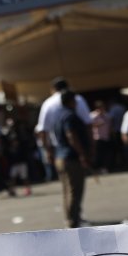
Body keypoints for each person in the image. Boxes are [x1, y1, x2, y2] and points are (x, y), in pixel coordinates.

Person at [45, 91, 91, 228]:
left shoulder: (58, 117)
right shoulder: (70, 116)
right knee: (75, 192)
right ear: (71, 101)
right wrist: (82, 154)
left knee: (67, 191)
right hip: (71, 158)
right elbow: (71, 135)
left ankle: (70, 220)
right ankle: (73, 222)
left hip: (61, 157)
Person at [35, 77, 91, 181]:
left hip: (59, 150)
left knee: (68, 185)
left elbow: (43, 130)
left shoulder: (48, 103)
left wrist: (47, 151)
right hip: (75, 149)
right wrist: (86, 150)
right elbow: (85, 126)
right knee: (75, 187)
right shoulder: (77, 101)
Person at [90, 101, 113, 173]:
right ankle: (97, 168)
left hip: (106, 137)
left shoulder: (107, 115)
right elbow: (89, 126)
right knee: (98, 154)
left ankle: (105, 167)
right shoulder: (92, 116)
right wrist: (98, 124)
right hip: (97, 138)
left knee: (106, 154)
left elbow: (110, 126)